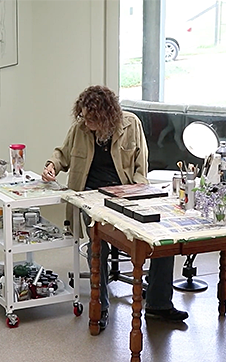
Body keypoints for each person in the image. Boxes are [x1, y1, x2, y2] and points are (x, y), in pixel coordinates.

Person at [42, 85, 188, 331]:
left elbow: (141, 168)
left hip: (125, 194)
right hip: (90, 197)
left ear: (107, 117)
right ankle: (101, 307)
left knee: (164, 240)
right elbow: (62, 155)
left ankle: (158, 304)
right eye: (84, 116)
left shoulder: (131, 125)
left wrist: (139, 197)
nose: (87, 122)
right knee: (97, 246)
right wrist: (52, 166)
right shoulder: (80, 129)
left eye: (92, 119)